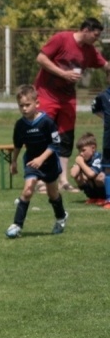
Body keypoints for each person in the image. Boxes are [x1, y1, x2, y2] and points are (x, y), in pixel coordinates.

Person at [34, 17, 110, 192]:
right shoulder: (62, 39)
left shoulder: (90, 51)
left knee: (66, 138)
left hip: (67, 98)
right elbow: (41, 58)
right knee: (44, 135)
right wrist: (63, 74)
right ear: (85, 30)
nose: (97, 39)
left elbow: (106, 65)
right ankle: (41, 179)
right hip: (47, 93)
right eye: (95, 35)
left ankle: (63, 180)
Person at [5, 85, 68, 239]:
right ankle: (17, 225)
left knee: (53, 194)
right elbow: (18, 145)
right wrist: (13, 162)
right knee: (27, 191)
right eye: (21, 105)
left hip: (49, 163)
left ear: (37, 103)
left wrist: (41, 159)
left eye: (28, 105)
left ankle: (61, 217)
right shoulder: (20, 125)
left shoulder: (47, 122)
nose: (24, 108)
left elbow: (55, 144)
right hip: (31, 162)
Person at [69, 132, 106, 205]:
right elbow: (73, 174)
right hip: (94, 184)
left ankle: (103, 198)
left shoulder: (98, 158)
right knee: (78, 177)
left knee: (99, 177)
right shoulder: (83, 159)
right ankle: (93, 197)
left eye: (83, 150)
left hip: (104, 184)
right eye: (79, 151)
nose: (81, 153)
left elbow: (91, 174)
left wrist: (81, 163)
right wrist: (78, 163)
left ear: (93, 148)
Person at [90, 78, 110, 209]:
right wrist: (106, 118)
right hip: (109, 139)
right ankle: (109, 199)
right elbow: (95, 108)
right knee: (108, 169)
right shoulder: (103, 96)